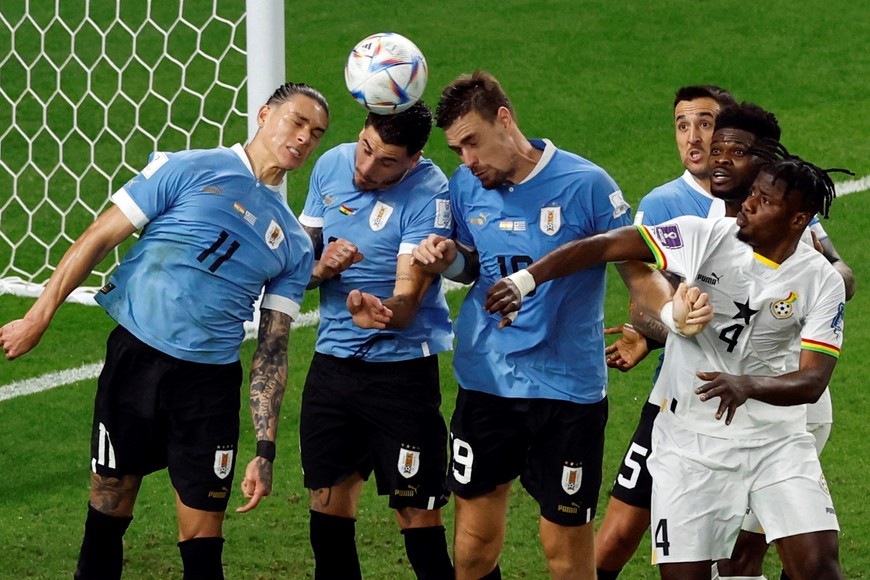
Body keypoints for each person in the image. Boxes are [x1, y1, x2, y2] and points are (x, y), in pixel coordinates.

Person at [0, 82, 329, 579]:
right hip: (137, 361)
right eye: (297, 122)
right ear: (264, 115)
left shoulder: (295, 244)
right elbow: (99, 236)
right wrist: (38, 317)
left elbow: (273, 348)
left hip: (208, 387)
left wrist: (265, 449)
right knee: (108, 507)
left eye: (316, 133)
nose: (304, 137)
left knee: (203, 539)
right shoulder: (187, 167)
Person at [485, 153, 848, 580]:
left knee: (819, 567)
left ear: (798, 219)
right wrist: (524, 280)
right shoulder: (705, 236)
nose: (748, 204)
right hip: (689, 446)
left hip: (777, 443)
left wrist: (746, 385)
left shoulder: (820, 280)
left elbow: (812, 380)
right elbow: (607, 245)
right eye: (752, 193)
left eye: (765, 201)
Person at [410, 70, 700, 580]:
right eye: (456, 149)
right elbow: (473, 265)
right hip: (487, 382)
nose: (467, 160)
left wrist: (673, 313)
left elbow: (637, 272)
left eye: (472, 142)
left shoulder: (587, 185)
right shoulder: (465, 186)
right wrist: (449, 258)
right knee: (474, 545)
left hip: (568, 391)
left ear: (504, 119)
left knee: (564, 548)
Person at [297, 101, 454, 579]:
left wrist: (381, 313)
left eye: (386, 161)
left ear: (413, 158)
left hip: (401, 376)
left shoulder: (429, 192)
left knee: (417, 518)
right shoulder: (331, 165)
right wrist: (320, 268)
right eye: (365, 148)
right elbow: (296, 271)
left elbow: (407, 302)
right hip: (332, 368)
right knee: (327, 511)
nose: (366, 168)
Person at [595, 85, 737, 579]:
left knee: (737, 549)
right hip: (674, 396)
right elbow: (644, 302)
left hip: (750, 397)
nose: (693, 137)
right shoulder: (663, 203)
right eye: (682, 125)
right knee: (618, 535)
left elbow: (838, 274)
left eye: (705, 124)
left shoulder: (765, 197)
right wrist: (655, 331)